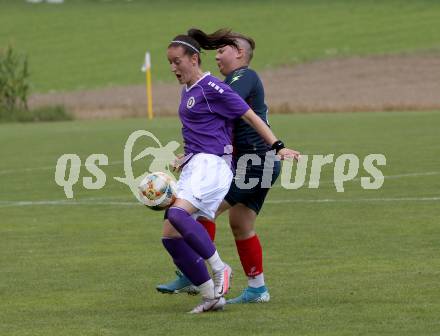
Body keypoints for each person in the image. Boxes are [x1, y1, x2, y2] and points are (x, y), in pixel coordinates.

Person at [158, 30, 300, 306]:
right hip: (251, 163)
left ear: (239, 53)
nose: (218, 56)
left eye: (222, 51)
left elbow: (226, 107)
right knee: (241, 225)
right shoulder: (218, 84)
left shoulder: (242, 77)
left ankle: (194, 271)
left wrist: (278, 145)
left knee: (197, 214)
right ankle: (257, 289)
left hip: (255, 162)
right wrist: (191, 151)